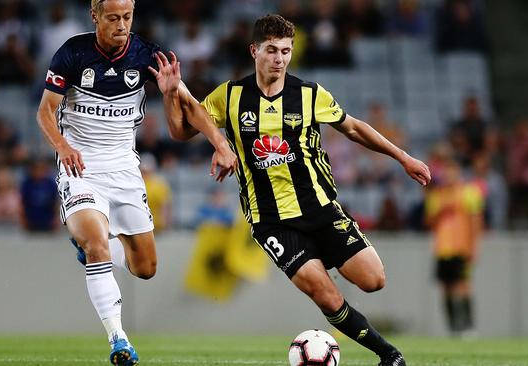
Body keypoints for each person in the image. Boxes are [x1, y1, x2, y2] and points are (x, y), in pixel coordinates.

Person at [161, 14, 431, 366]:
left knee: (374, 279)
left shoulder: (309, 95)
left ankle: (326, 258)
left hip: (319, 206)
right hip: (270, 219)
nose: (279, 59)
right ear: (254, 50)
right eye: (271, 50)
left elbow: (353, 128)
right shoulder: (230, 96)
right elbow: (181, 131)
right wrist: (170, 96)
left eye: (286, 51)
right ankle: (390, 355)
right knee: (324, 293)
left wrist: (402, 157)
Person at [35, 1, 237, 365]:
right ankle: (119, 339)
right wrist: (63, 147)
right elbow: (45, 111)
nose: (121, 25)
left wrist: (217, 140)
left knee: (144, 268)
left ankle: (92, 250)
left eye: (127, 17)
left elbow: (189, 110)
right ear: (95, 16)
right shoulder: (72, 53)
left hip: (126, 169)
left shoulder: (147, 54)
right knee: (97, 244)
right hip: (81, 166)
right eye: (113, 18)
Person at [425, 159, 483, 336]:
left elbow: (476, 222)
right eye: (445, 171)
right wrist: (441, 210)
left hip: (461, 247)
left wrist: (474, 248)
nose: (448, 175)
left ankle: (469, 327)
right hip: (442, 248)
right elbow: (429, 222)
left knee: (463, 285)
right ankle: (453, 328)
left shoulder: (470, 192)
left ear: (458, 172)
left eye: (452, 171)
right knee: (446, 288)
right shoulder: (436, 195)